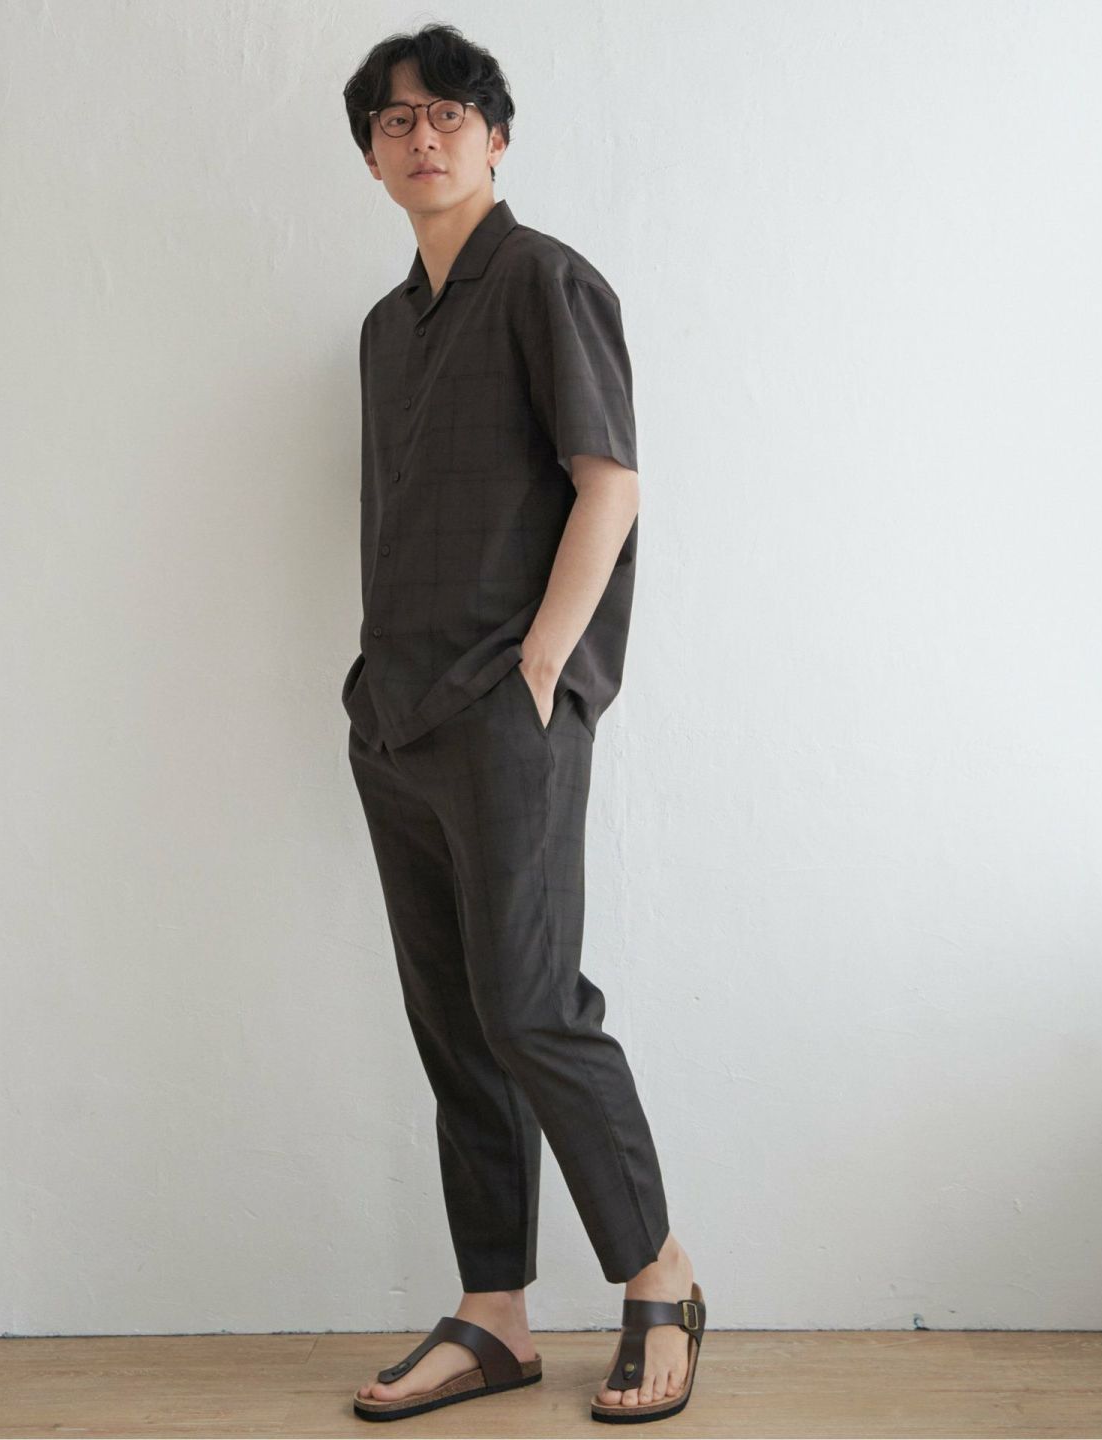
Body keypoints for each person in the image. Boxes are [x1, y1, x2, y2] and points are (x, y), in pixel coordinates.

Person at [340, 23, 706, 1425]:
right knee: (454, 1024)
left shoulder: (547, 279)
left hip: (507, 707)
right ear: (373, 158)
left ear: (496, 138)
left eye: (448, 114)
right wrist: (376, 695)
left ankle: (659, 1275)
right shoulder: (386, 329)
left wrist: (542, 665)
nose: (422, 136)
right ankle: (494, 1311)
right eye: (395, 121)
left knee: (532, 1007)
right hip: (396, 716)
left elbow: (609, 483)